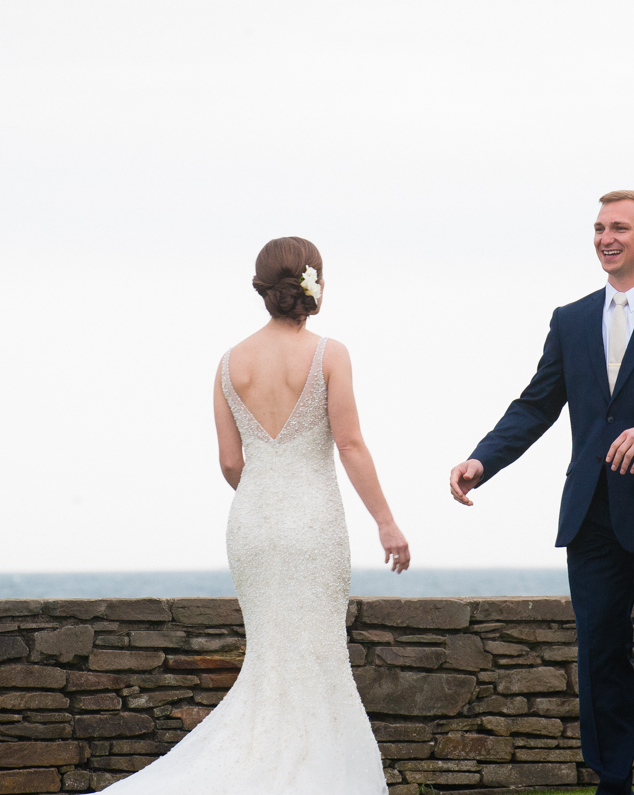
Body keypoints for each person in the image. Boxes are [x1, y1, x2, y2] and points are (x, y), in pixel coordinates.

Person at [447, 191, 634, 795]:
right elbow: (536, 404)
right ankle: (614, 784)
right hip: (590, 514)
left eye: (620, 228)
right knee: (600, 653)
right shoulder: (571, 319)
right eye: (599, 228)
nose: (606, 238)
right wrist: (483, 459)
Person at [102, 236, 410, 795]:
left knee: (271, 660)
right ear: (314, 283)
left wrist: (267, 494)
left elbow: (229, 461)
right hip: (313, 523)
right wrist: (386, 522)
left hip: (252, 525)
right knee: (315, 658)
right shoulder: (328, 353)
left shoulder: (228, 363)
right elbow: (351, 443)